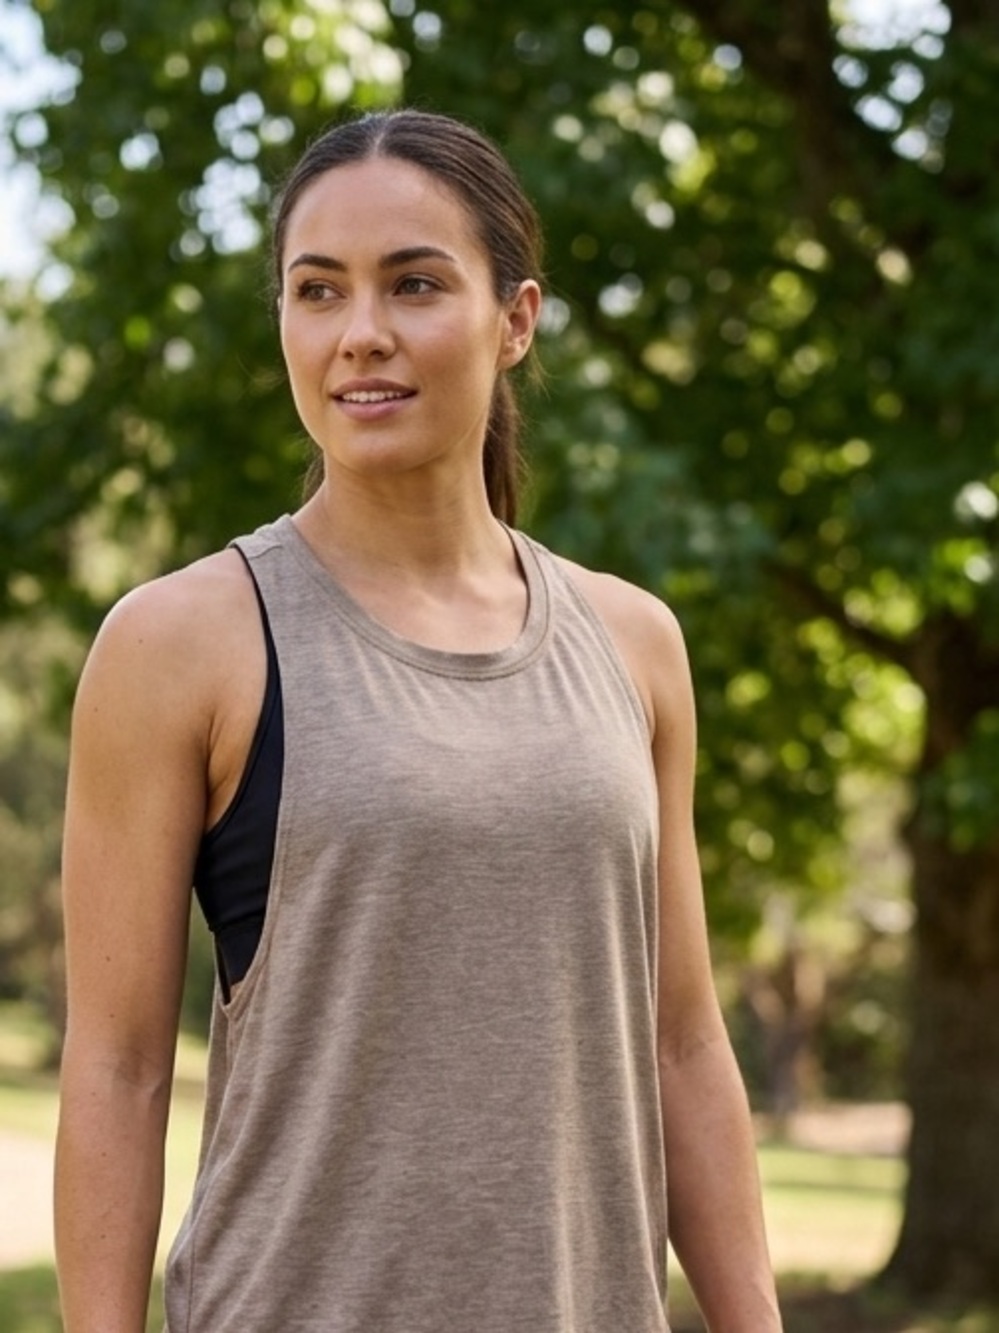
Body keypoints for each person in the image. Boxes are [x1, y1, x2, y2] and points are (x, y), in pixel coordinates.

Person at [55, 108, 783, 1333]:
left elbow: (681, 1043)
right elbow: (119, 1068)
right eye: (318, 291)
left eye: (416, 284)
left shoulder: (635, 644)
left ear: (516, 319)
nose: (363, 336)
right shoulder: (180, 643)